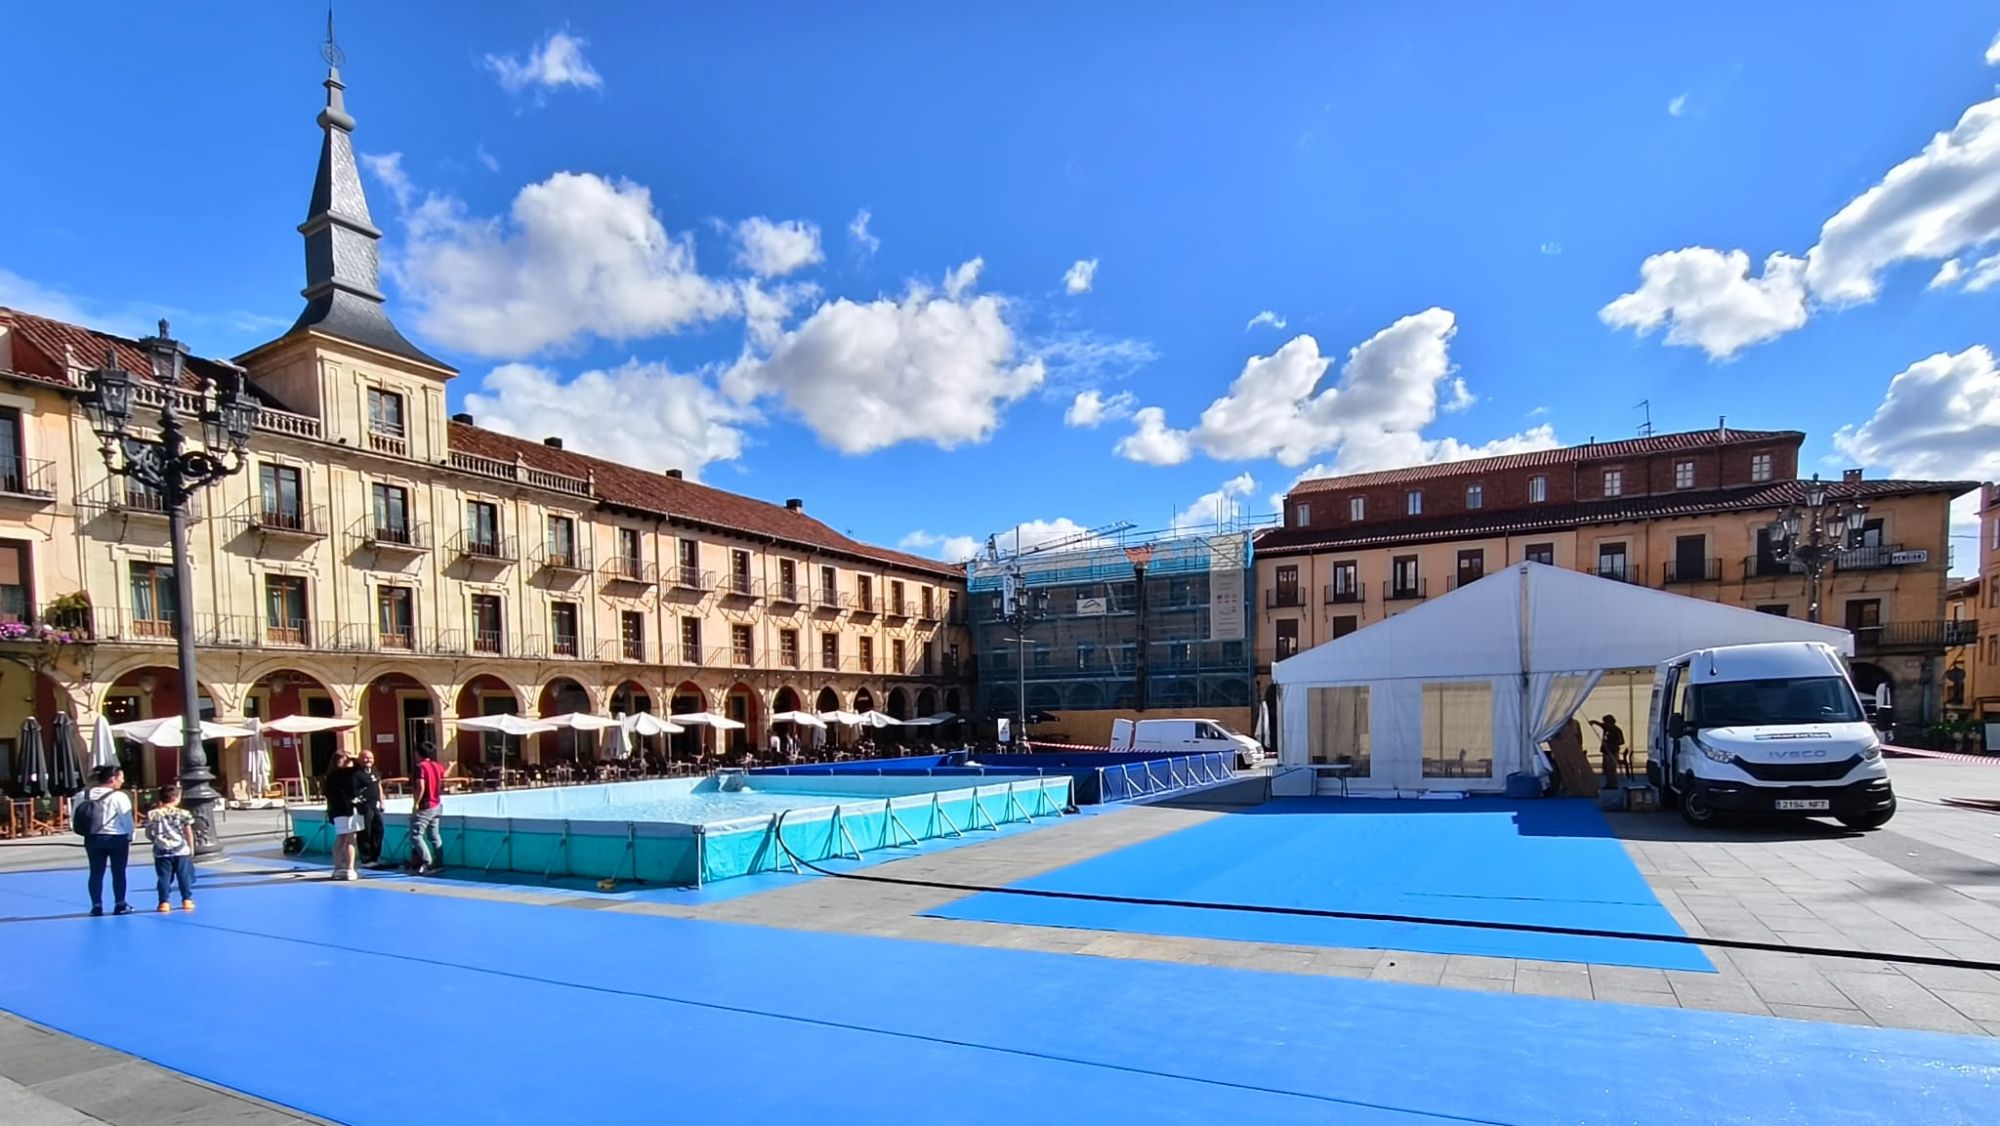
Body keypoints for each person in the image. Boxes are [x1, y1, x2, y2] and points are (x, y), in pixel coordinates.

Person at [75, 764, 136, 915]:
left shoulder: (83, 795)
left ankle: (96, 905)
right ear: (112, 779)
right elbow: (126, 819)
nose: (122, 781)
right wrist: (130, 835)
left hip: (93, 837)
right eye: (120, 778)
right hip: (117, 837)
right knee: (119, 872)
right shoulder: (119, 796)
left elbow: (75, 816)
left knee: (95, 872)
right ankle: (120, 903)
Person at [142, 784, 196, 912]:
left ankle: (163, 902)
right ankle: (186, 900)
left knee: (163, 877)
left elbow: (148, 832)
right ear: (175, 798)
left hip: (161, 850)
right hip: (181, 849)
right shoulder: (184, 813)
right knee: (184, 876)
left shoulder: (152, 814)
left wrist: (155, 840)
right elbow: (188, 832)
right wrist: (191, 847)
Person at [323, 750, 363, 881]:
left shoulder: (330, 776)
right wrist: (354, 758)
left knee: (341, 838)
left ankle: (338, 867)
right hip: (349, 809)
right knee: (350, 839)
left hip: (337, 811)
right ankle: (350, 868)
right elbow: (360, 766)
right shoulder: (347, 773)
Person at [407, 742, 446, 875]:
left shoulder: (420, 767)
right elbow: (443, 778)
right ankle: (439, 861)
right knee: (434, 835)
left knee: (416, 835)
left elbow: (421, 786)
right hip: (437, 804)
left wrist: (416, 803)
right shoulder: (438, 766)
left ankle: (427, 862)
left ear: (418, 753)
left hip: (425, 805)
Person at [354, 749, 385, 868]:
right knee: (365, 831)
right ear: (360, 759)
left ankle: (375, 856)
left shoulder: (374, 770)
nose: (368, 760)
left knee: (379, 829)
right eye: (365, 758)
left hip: (375, 805)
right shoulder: (357, 774)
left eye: (370, 758)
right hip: (363, 806)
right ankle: (366, 858)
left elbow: (379, 786)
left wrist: (382, 802)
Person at [1588, 714, 1626, 790]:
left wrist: (1612, 745)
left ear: (1611, 722)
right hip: (1606, 752)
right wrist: (1594, 722)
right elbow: (1600, 724)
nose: (1604, 723)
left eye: (1606, 722)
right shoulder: (1606, 728)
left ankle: (1613, 784)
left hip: (1613, 752)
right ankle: (1608, 783)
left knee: (1611, 768)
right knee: (1606, 768)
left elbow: (1622, 741)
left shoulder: (1616, 730)